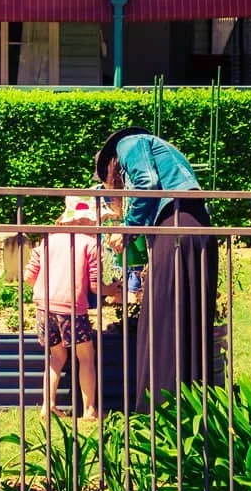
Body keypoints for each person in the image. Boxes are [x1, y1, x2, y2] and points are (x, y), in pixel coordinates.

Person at [94, 126, 217, 414]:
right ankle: (191, 405)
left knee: (162, 318)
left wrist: (127, 230)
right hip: (193, 227)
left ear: (111, 163)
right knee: (189, 317)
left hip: (177, 228)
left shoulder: (129, 143)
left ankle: (159, 408)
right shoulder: (159, 150)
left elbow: (147, 183)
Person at [24, 194, 117, 420]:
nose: (99, 225)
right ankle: (89, 410)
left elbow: (29, 277)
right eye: (96, 221)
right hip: (72, 309)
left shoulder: (47, 241)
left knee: (56, 357)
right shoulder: (90, 245)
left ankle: (48, 406)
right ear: (84, 222)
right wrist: (114, 289)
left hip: (44, 306)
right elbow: (96, 287)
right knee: (85, 356)